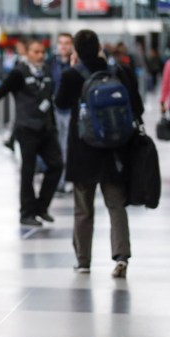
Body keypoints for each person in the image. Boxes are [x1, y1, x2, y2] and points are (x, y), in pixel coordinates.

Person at [54, 29, 143, 278]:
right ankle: (122, 256)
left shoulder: (72, 74)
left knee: (83, 208)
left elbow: (60, 103)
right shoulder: (118, 72)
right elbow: (137, 106)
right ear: (99, 48)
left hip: (83, 149)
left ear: (76, 51)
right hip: (114, 150)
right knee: (116, 204)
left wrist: (71, 70)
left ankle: (83, 261)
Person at [0, 39, 63, 227]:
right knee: (28, 171)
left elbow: (50, 99)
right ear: (27, 53)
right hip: (27, 129)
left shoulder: (47, 71)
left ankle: (42, 207)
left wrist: (53, 125)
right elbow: (1, 91)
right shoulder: (19, 73)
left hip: (47, 128)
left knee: (56, 165)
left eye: (42, 52)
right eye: (35, 51)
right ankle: (27, 212)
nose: (40, 55)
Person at [47, 33, 74, 192]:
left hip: (71, 110)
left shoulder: (75, 63)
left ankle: (66, 179)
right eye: (61, 43)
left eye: (67, 43)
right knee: (57, 146)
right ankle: (58, 180)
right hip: (55, 109)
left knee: (68, 146)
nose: (63, 46)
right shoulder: (51, 63)